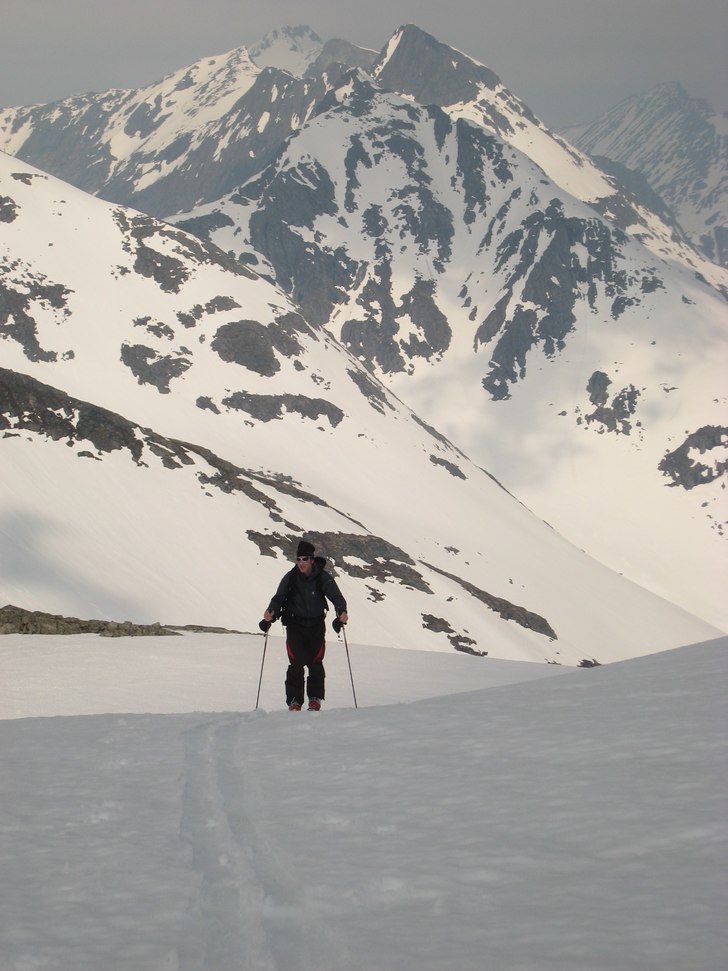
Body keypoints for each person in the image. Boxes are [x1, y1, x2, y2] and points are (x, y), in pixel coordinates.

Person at [262, 540, 348, 711]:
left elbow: (336, 596)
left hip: (316, 625)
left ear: (312, 560)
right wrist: (271, 611)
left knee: (316, 661)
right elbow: (279, 597)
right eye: (298, 559)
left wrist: (341, 611)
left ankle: (314, 699)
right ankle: (295, 701)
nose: (301, 562)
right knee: (296, 662)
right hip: (295, 625)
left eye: (304, 559)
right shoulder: (291, 577)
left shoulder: (322, 577)